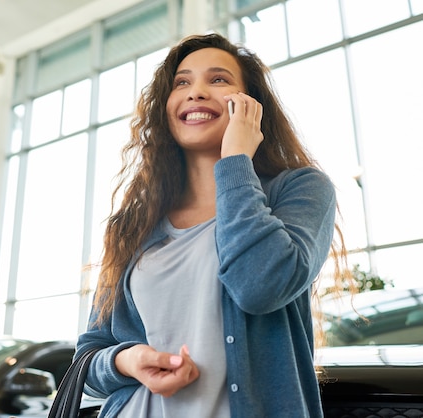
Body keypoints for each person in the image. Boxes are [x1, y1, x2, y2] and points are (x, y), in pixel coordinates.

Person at [75, 32, 348, 418]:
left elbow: (261, 285)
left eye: (218, 80)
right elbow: (88, 359)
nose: (196, 92)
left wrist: (235, 159)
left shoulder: (301, 188)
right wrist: (128, 359)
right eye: (181, 82)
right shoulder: (133, 225)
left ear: (251, 105)